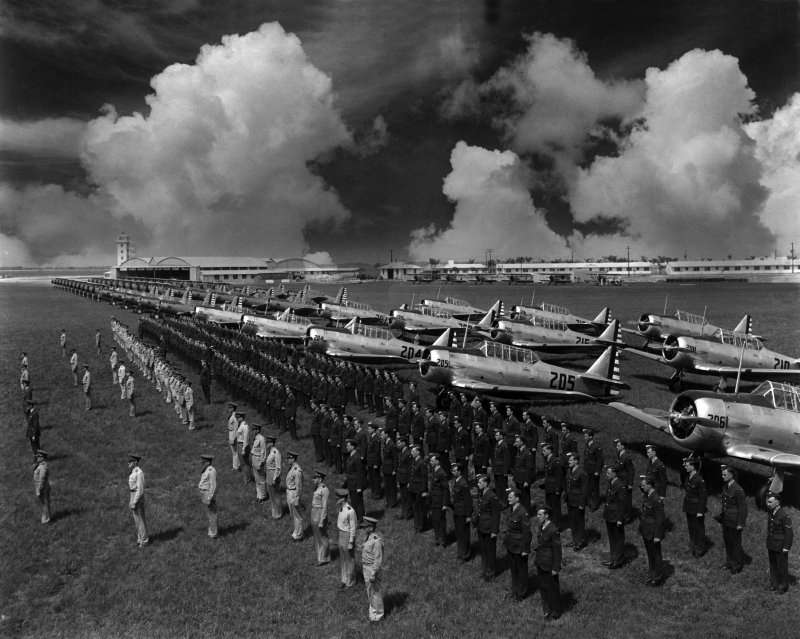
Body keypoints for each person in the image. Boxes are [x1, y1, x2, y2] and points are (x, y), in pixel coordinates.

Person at [717, 465, 747, 574]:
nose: (722, 476)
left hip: (734, 520)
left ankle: (737, 565)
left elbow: (743, 508)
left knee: (735, 543)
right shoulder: (725, 486)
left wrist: (741, 523)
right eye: (722, 474)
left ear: (731, 475)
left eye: (725, 475)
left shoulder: (738, 489)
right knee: (727, 541)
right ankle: (729, 562)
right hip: (726, 519)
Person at [534, 505, 562, 620]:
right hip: (541, 562)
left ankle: (555, 612)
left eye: (540, 514)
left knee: (552, 589)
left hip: (549, 564)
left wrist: (555, 568)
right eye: (538, 514)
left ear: (546, 515)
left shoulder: (553, 530)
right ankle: (547, 609)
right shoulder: (542, 527)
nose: (537, 516)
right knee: (543, 587)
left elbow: (558, 551)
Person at [505, 488, 532, 600]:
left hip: (519, 546)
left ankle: (521, 594)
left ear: (517, 498)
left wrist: (525, 549)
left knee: (521, 570)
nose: (508, 499)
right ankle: (515, 591)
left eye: (510, 497)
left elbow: (527, 533)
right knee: (514, 569)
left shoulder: (523, 512)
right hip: (511, 544)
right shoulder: (512, 509)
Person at [639, 474, 665, 586]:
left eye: (643, 485)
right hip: (647, 530)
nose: (642, 487)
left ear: (649, 485)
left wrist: (657, 536)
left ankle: (658, 577)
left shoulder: (656, 499)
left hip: (653, 531)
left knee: (656, 555)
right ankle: (651, 574)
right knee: (650, 554)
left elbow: (660, 519)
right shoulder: (647, 496)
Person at [765, 493, 793, 594]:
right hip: (772, 543)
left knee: (782, 566)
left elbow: (789, 533)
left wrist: (786, 547)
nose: (768, 504)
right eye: (767, 501)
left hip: (780, 545)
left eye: (770, 502)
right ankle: (774, 584)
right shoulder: (771, 512)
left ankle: (783, 586)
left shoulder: (784, 515)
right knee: (773, 565)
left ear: (777, 502)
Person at [475, 474, 501, 580]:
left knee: (490, 550)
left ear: (486, 483)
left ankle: (490, 572)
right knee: (483, 549)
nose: (478, 484)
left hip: (489, 527)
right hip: (481, 526)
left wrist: (494, 530)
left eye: (480, 482)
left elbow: (496, 514)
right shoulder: (482, 493)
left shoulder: (491, 496)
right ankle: (485, 570)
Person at [361, 517, 385, 622]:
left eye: (365, 527)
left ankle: (379, 617)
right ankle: (373, 614)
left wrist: (373, 573)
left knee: (375, 593)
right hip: (366, 567)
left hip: (372, 569)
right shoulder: (368, 538)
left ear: (371, 527)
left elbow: (377, 559)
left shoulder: (376, 541)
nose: (363, 529)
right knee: (370, 592)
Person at [603, 465, 627, 569]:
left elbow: (622, 504)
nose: (606, 475)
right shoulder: (610, 483)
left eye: (608, 473)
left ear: (614, 474)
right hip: (609, 514)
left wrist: (620, 519)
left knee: (618, 538)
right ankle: (613, 558)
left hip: (616, 516)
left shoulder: (619, 485)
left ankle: (618, 560)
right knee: (611, 537)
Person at [682, 458, 707, 557]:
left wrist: (700, 511)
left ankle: (699, 550)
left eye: (687, 466)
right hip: (689, 507)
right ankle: (692, 546)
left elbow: (703, 496)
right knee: (691, 528)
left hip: (696, 509)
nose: (685, 467)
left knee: (699, 529)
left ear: (692, 467)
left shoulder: (699, 480)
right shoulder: (689, 477)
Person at [565, 453, 588, 551]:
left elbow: (584, 489)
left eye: (570, 460)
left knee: (579, 522)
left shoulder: (582, 472)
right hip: (570, 500)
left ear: (576, 461)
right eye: (569, 460)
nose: (568, 462)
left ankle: (580, 542)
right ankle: (575, 539)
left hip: (578, 501)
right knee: (572, 521)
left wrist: (582, 504)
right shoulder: (570, 470)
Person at [336, 488, 358, 588]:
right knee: (343, 559)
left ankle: (351, 580)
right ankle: (344, 579)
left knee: (349, 559)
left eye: (338, 498)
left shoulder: (350, 511)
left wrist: (351, 542)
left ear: (343, 499)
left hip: (347, 535)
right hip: (341, 535)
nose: (336, 499)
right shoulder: (341, 508)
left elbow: (353, 528)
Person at [451, 464, 473, 561]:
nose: (453, 472)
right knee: (459, 533)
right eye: (452, 470)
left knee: (464, 534)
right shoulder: (456, 481)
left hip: (463, 512)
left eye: (455, 471)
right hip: (457, 510)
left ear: (459, 472)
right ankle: (460, 553)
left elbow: (468, 500)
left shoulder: (463, 483)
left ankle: (465, 554)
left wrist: (468, 515)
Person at [428, 453, 451, 547]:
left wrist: (445, 503)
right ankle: (437, 539)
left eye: (432, 461)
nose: (430, 462)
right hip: (434, 500)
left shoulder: (441, 473)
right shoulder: (434, 471)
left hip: (440, 501)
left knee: (440, 521)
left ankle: (442, 541)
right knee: (435, 520)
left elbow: (446, 489)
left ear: (437, 462)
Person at [310, 469, 331, 566]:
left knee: (322, 537)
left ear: (320, 479)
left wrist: (322, 520)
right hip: (314, 512)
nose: (313, 479)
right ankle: (320, 556)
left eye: (315, 478)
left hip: (319, 513)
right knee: (317, 536)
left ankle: (324, 557)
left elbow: (325, 506)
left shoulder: (324, 490)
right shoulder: (317, 488)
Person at [128, 454, 149, 547]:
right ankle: (140, 538)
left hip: (137, 497)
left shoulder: (139, 472)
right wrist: (131, 500)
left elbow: (140, 490)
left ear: (135, 462)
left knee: (141, 520)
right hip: (133, 495)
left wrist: (134, 501)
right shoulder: (133, 471)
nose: (128, 462)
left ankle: (144, 541)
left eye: (130, 461)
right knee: (137, 521)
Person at [541, 443, 562, 529]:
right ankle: (550, 523)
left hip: (554, 488)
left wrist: (558, 489)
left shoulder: (555, 461)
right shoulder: (548, 460)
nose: (543, 452)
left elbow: (559, 476)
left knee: (555, 508)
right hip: (548, 487)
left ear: (549, 451)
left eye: (544, 450)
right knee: (549, 506)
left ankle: (556, 525)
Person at [582, 428, 603, 511]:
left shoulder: (596, 446)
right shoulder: (587, 445)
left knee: (594, 488)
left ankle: (594, 504)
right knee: (588, 487)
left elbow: (600, 460)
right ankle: (589, 502)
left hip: (593, 470)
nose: (585, 437)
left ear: (591, 437)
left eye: (586, 436)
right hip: (587, 469)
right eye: (584, 436)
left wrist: (598, 471)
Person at [409, 444, 428, 533]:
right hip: (414, 488)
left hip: (420, 489)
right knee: (416, 507)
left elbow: (424, 478)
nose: (411, 453)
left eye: (413, 451)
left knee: (420, 508)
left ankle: (421, 526)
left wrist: (423, 490)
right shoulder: (414, 461)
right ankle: (416, 525)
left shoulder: (421, 462)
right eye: (411, 451)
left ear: (418, 452)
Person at [345, 439, 365, 522]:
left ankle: (361, 519)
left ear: (353, 447)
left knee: (358, 502)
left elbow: (360, 473)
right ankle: (355, 517)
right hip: (351, 483)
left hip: (356, 484)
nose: (347, 447)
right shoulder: (351, 456)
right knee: (353, 502)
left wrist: (359, 486)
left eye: (348, 446)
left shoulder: (357, 457)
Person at [615, 439, 635, 523]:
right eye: (617, 446)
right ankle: (621, 515)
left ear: (623, 447)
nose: (617, 447)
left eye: (618, 446)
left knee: (626, 500)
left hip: (625, 481)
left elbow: (631, 470)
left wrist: (630, 483)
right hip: (619, 480)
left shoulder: (626, 457)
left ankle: (627, 518)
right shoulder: (618, 455)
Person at [285, 451, 304, 541]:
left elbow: (299, 487)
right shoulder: (292, 468)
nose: (286, 460)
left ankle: (299, 535)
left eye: (288, 458)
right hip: (290, 493)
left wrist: (297, 499)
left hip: (293, 494)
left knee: (297, 516)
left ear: (293, 459)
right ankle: (296, 532)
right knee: (293, 514)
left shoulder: (297, 471)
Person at [198, 454, 218, 539]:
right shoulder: (207, 469)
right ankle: (211, 532)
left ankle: (214, 535)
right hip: (204, 493)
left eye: (204, 461)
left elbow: (213, 486)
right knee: (209, 515)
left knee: (212, 515)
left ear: (208, 462)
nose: (202, 462)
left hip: (208, 494)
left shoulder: (211, 471)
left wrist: (210, 498)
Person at [265, 435, 282, 519]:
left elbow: (278, 467)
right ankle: (274, 511)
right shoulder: (269, 451)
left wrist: (275, 478)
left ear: (271, 443)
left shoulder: (276, 453)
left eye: (267, 443)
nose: (266, 444)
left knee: (275, 495)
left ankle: (278, 513)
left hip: (273, 474)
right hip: (269, 473)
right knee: (271, 494)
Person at [250, 424, 267, 501]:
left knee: (261, 479)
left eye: (254, 430)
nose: (252, 431)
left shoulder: (261, 439)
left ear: (257, 430)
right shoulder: (255, 438)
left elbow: (263, 452)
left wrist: (261, 463)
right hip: (254, 458)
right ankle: (258, 495)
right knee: (256, 479)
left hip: (258, 459)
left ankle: (263, 496)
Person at [34, 449, 51, 524]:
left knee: (44, 504)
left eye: (38, 457)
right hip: (41, 486)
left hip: (43, 487)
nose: (37, 458)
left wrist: (39, 490)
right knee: (43, 503)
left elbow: (42, 479)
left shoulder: (43, 467)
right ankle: (45, 518)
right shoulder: (40, 465)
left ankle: (46, 520)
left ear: (42, 458)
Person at [236, 412, 252, 484]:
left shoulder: (245, 426)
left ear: (241, 418)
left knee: (245, 464)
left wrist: (243, 449)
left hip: (243, 445)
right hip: (240, 444)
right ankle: (246, 477)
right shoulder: (241, 425)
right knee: (243, 464)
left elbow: (246, 439)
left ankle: (248, 479)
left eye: (238, 417)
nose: (237, 419)